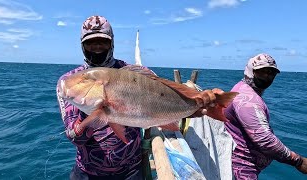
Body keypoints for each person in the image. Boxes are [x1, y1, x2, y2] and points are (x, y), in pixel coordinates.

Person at [56, 15, 221, 180]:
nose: (97, 47)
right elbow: (75, 138)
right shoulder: (68, 81)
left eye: (103, 42)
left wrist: (198, 102)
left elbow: (166, 103)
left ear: (112, 43)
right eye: (90, 43)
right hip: (88, 173)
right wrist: (95, 110)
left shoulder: (134, 71)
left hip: (132, 171)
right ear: (82, 45)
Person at [224, 53, 307, 179]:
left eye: (271, 73)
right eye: (262, 72)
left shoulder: (242, 88)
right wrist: (298, 161)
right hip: (242, 168)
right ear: (251, 71)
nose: (267, 77)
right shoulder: (248, 101)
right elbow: (264, 140)